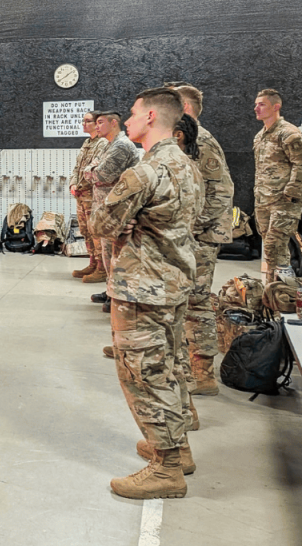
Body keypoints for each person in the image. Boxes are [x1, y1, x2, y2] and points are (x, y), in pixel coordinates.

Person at [91, 87, 201, 499]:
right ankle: (177, 447)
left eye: (135, 113)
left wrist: (127, 223)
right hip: (173, 283)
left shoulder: (144, 171)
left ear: (152, 116)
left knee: (143, 374)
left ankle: (167, 467)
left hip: (142, 289)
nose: (130, 119)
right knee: (169, 366)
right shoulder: (187, 166)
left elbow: (102, 222)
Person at [171, 85, 234, 397]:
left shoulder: (203, 140)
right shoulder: (185, 138)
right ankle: (187, 365)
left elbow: (220, 193)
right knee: (184, 301)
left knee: (196, 303)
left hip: (201, 236)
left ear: (184, 105)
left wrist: (190, 229)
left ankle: (203, 374)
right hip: (189, 234)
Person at [253, 89, 302, 283]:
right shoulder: (260, 136)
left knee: (274, 246)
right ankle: (276, 291)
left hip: (284, 201)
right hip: (264, 199)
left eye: (262, 104)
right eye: (256, 104)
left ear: (275, 106)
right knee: (273, 250)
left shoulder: (289, 133)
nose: (256, 108)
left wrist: (290, 194)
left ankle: (284, 292)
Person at [82, 110, 141, 306]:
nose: (96, 126)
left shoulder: (121, 146)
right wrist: (92, 170)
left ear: (113, 123)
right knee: (107, 252)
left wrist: (92, 170)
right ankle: (110, 290)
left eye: (100, 122)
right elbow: (91, 170)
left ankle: (117, 296)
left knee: (116, 253)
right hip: (106, 208)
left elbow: (101, 175)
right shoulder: (109, 145)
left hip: (116, 210)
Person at [69, 111, 108, 279]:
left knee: (95, 231)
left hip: (93, 195)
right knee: (85, 230)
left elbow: (93, 169)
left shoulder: (103, 143)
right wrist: (72, 183)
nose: (83, 124)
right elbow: (78, 168)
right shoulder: (87, 142)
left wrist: (80, 185)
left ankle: (101, 268)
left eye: (87, 121)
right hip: (81, 194)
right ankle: (92, 262)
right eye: (83, 121)